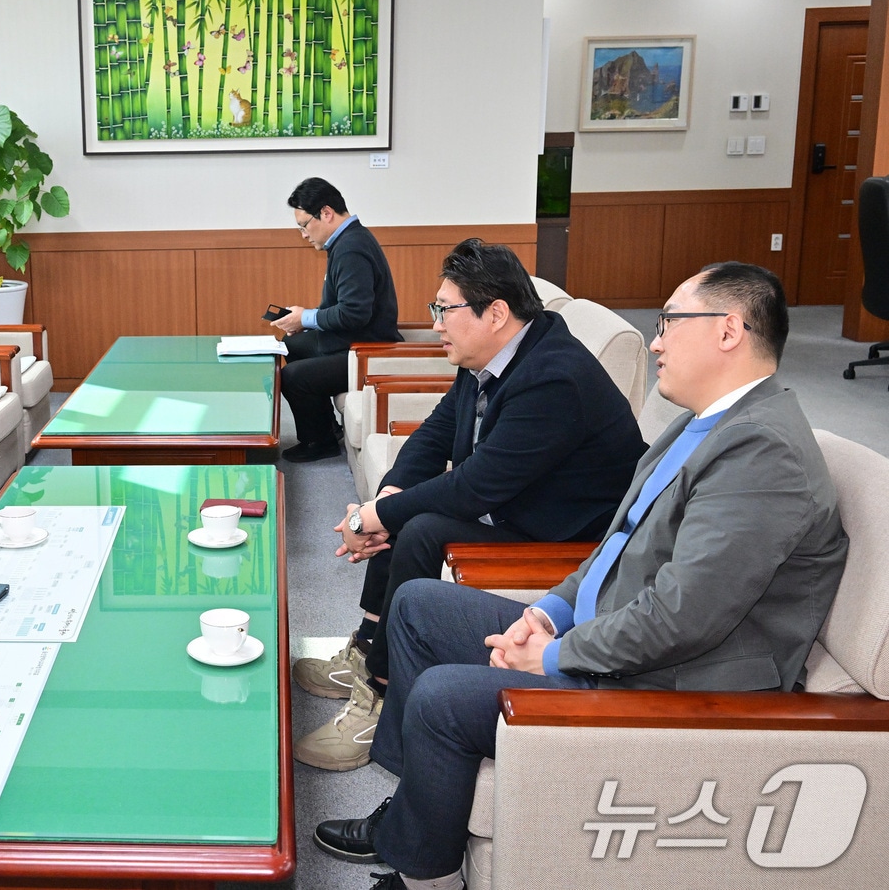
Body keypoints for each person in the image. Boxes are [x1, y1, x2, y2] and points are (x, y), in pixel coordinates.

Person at [312, 262, 848, 890]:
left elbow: (683, 618)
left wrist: (557, 653)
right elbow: (615, 547)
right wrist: (546, 614)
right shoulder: (705, 423)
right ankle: (411, 816)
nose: (656, 340)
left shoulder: (762, 453)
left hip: (669, 680)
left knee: (440, 699)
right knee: (417, 606)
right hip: (612, 634)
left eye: (671, 321)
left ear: (729, 330)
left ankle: (420, 875)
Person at [292, 238, 646, 771]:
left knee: (421, 527)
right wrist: (390, 493)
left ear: (496, 313)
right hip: (521, 504)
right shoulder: (493, 354)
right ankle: (368, 647)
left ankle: (383, 695)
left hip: (568, 535)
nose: (434, 322)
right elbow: (436, 433)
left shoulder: (554, 376)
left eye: (444, 309)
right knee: (408, 509)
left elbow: (476, 487)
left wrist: (377, 516)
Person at [273, 177, 401, 462]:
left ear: (326, 213)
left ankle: (319, 442)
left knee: (293, 377)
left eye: (304, 225)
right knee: (292, 345)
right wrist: (303, 321)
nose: (303, 234)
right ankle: (326, 427)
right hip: (354, 341)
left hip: (368, 350)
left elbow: (354, 312)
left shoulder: (351, 248)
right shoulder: (348, 240)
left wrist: (306, 318)